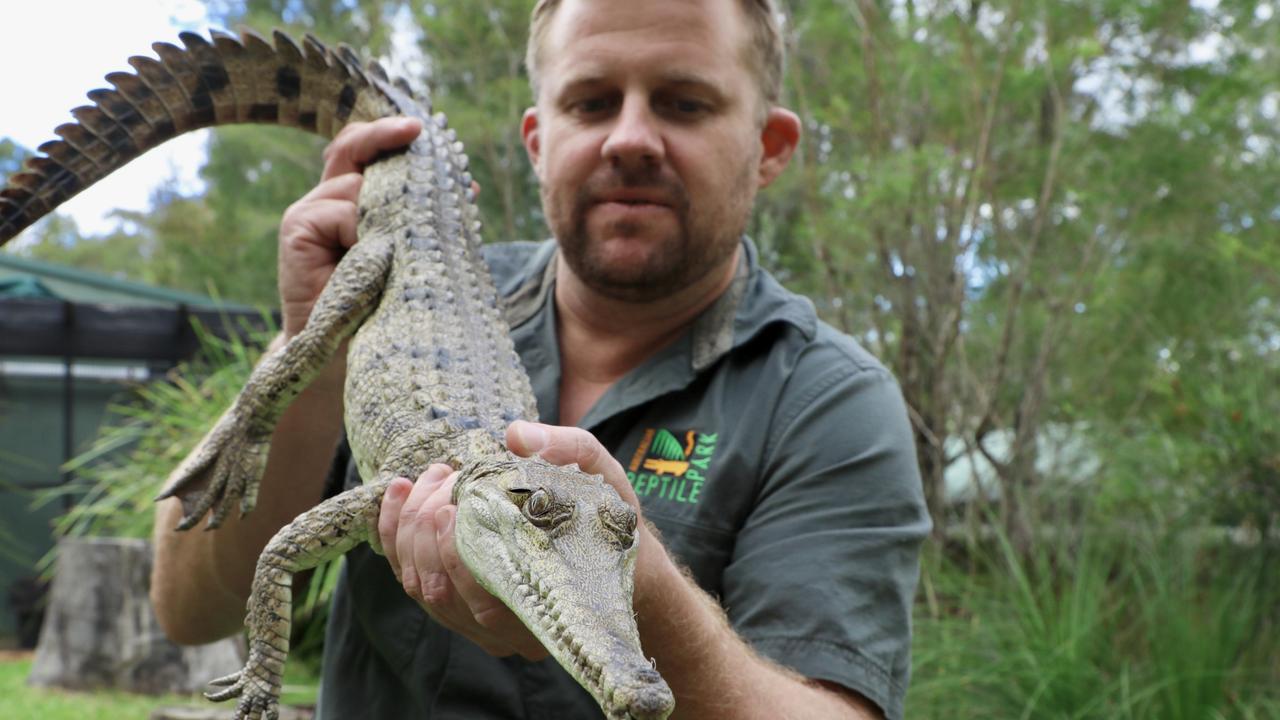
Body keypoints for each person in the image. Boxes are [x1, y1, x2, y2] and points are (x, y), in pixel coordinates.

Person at [150, 0, 930, 718]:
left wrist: (643, 593)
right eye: (590, 102)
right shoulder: (390, 293)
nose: (629, 138)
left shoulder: (832, 401)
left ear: (770, 147)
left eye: (685, 102)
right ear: (535, 138)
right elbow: (187, 611)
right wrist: (311, 346)